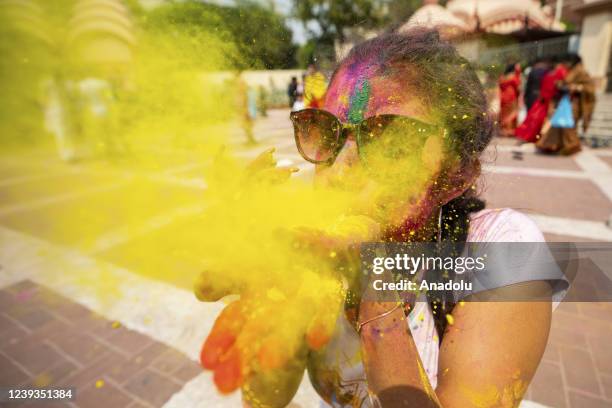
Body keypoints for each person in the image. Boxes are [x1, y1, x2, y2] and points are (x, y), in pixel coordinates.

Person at [227, 29, 567, 408]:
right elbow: (264, 398)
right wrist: (274, 298)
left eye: (389, 142)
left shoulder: (505, 249)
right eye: (325, 131)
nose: (338, 172)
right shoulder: (316, 256)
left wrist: (373, 278)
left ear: (455, 175)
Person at [536, 55, 596, 155]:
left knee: (568, 126)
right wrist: (560, 85)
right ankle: (552, 145)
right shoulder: (571, 71)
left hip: (574, 104)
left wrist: (577, 87)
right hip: (566, 102)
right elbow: (564, 83)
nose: (565, 64)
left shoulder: (582, 72)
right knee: (559, 124)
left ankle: (572, 145)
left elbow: (590, 89)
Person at [515, 57, 569, 144]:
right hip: (549, 100)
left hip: (542, 99)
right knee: (541, 119)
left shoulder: (545, 73)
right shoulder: (559, 72)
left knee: (535, 118)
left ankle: (536, 137)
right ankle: (544, 139)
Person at [498, 63, 521, 137]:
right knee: (512, 113)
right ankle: (509, 131)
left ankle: (503, 130)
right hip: (511, 96)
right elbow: (518, 87)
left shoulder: (502, 76)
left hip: (503, 97)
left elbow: (500, 86)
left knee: (504, 113)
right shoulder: (513, 76)